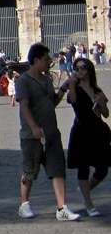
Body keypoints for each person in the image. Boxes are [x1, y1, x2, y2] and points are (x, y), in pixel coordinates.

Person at [16, 43, 80, 220]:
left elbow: (52, 102)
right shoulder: (24, 81)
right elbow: (24, 107)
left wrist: (64, 89)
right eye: (46, 59)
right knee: (29, 170)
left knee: (57, 169)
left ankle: (61, 207)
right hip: (32, 135)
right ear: (36, 60)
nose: (49, 62)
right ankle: (24, 203)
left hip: (51, 132)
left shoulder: (46, 80)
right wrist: (34, 127)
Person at [64, 57, 111, 216]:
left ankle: (85, 190)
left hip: (98, 132)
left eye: (83, 67)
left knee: (103, 169)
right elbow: (73, 100)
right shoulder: (75, 88)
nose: (80, 70)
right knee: (83, 168)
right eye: (77, 68)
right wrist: (71, 84)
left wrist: (102, 103)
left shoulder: (97, 89)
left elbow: (105, 114)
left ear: (89, 69)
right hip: (81, 132)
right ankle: (89, 205)